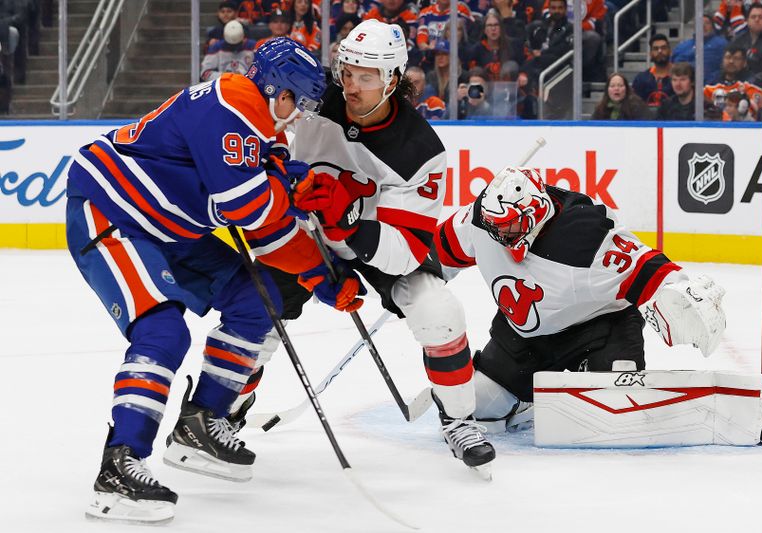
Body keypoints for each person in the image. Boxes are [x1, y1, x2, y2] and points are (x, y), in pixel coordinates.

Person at [68, 39, 362, 524]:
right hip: (113, 211)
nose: (300, 116)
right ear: (280, 94)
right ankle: (119, 465)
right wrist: (291, 193)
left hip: (170, 225)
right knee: (162, 331)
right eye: (301, 104)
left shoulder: (259, 125)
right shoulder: (233, 106)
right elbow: (248, 210)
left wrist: (319, 276)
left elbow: (268, 223)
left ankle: (202, 421)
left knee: (259, 297)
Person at [272, 20, 496, 472]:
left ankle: (458, 419)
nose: (351, 86)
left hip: (373, 243)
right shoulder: (319, 96)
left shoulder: (421, 150)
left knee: (438, 310)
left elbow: (408, 249)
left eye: (366, 77)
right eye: (347, 72)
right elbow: (267, 122)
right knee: (255, 303)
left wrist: (350, 220)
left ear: (393, 80)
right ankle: (223, 405)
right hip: (308, 232)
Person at [433, 166, 727, 433]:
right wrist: (409, 283)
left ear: (533, 215)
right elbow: (436, 253)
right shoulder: (483, 219)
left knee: (616, 413)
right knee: (479, 407)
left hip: (599, 328)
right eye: (494, 225)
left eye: (508, 227)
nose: (498, 235)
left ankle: (599, 377)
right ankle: (526, 402)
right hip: (526, 340)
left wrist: (680, 295)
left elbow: (648, 267)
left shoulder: (584, 234)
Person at [704, 45, 762, 121]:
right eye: (728, 57)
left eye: (736, 58)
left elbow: (752, 112)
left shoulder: (752, 84)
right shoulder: (711, 84)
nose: (731, 61)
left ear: (744, 62)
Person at [671, 13, 728, 85]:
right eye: (700, 23)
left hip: (713, 87)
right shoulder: (682, 47)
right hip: (688, 87)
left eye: (707, 23)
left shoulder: (722, 44)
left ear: (712, 27)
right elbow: (674, 67)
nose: (703, 26)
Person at [632, 33, 674, 108]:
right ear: (650, 54)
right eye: (655, 49)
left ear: (670, 51)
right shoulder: (641, 79)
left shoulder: (679, 77)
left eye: (663, 48)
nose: (660, 51)